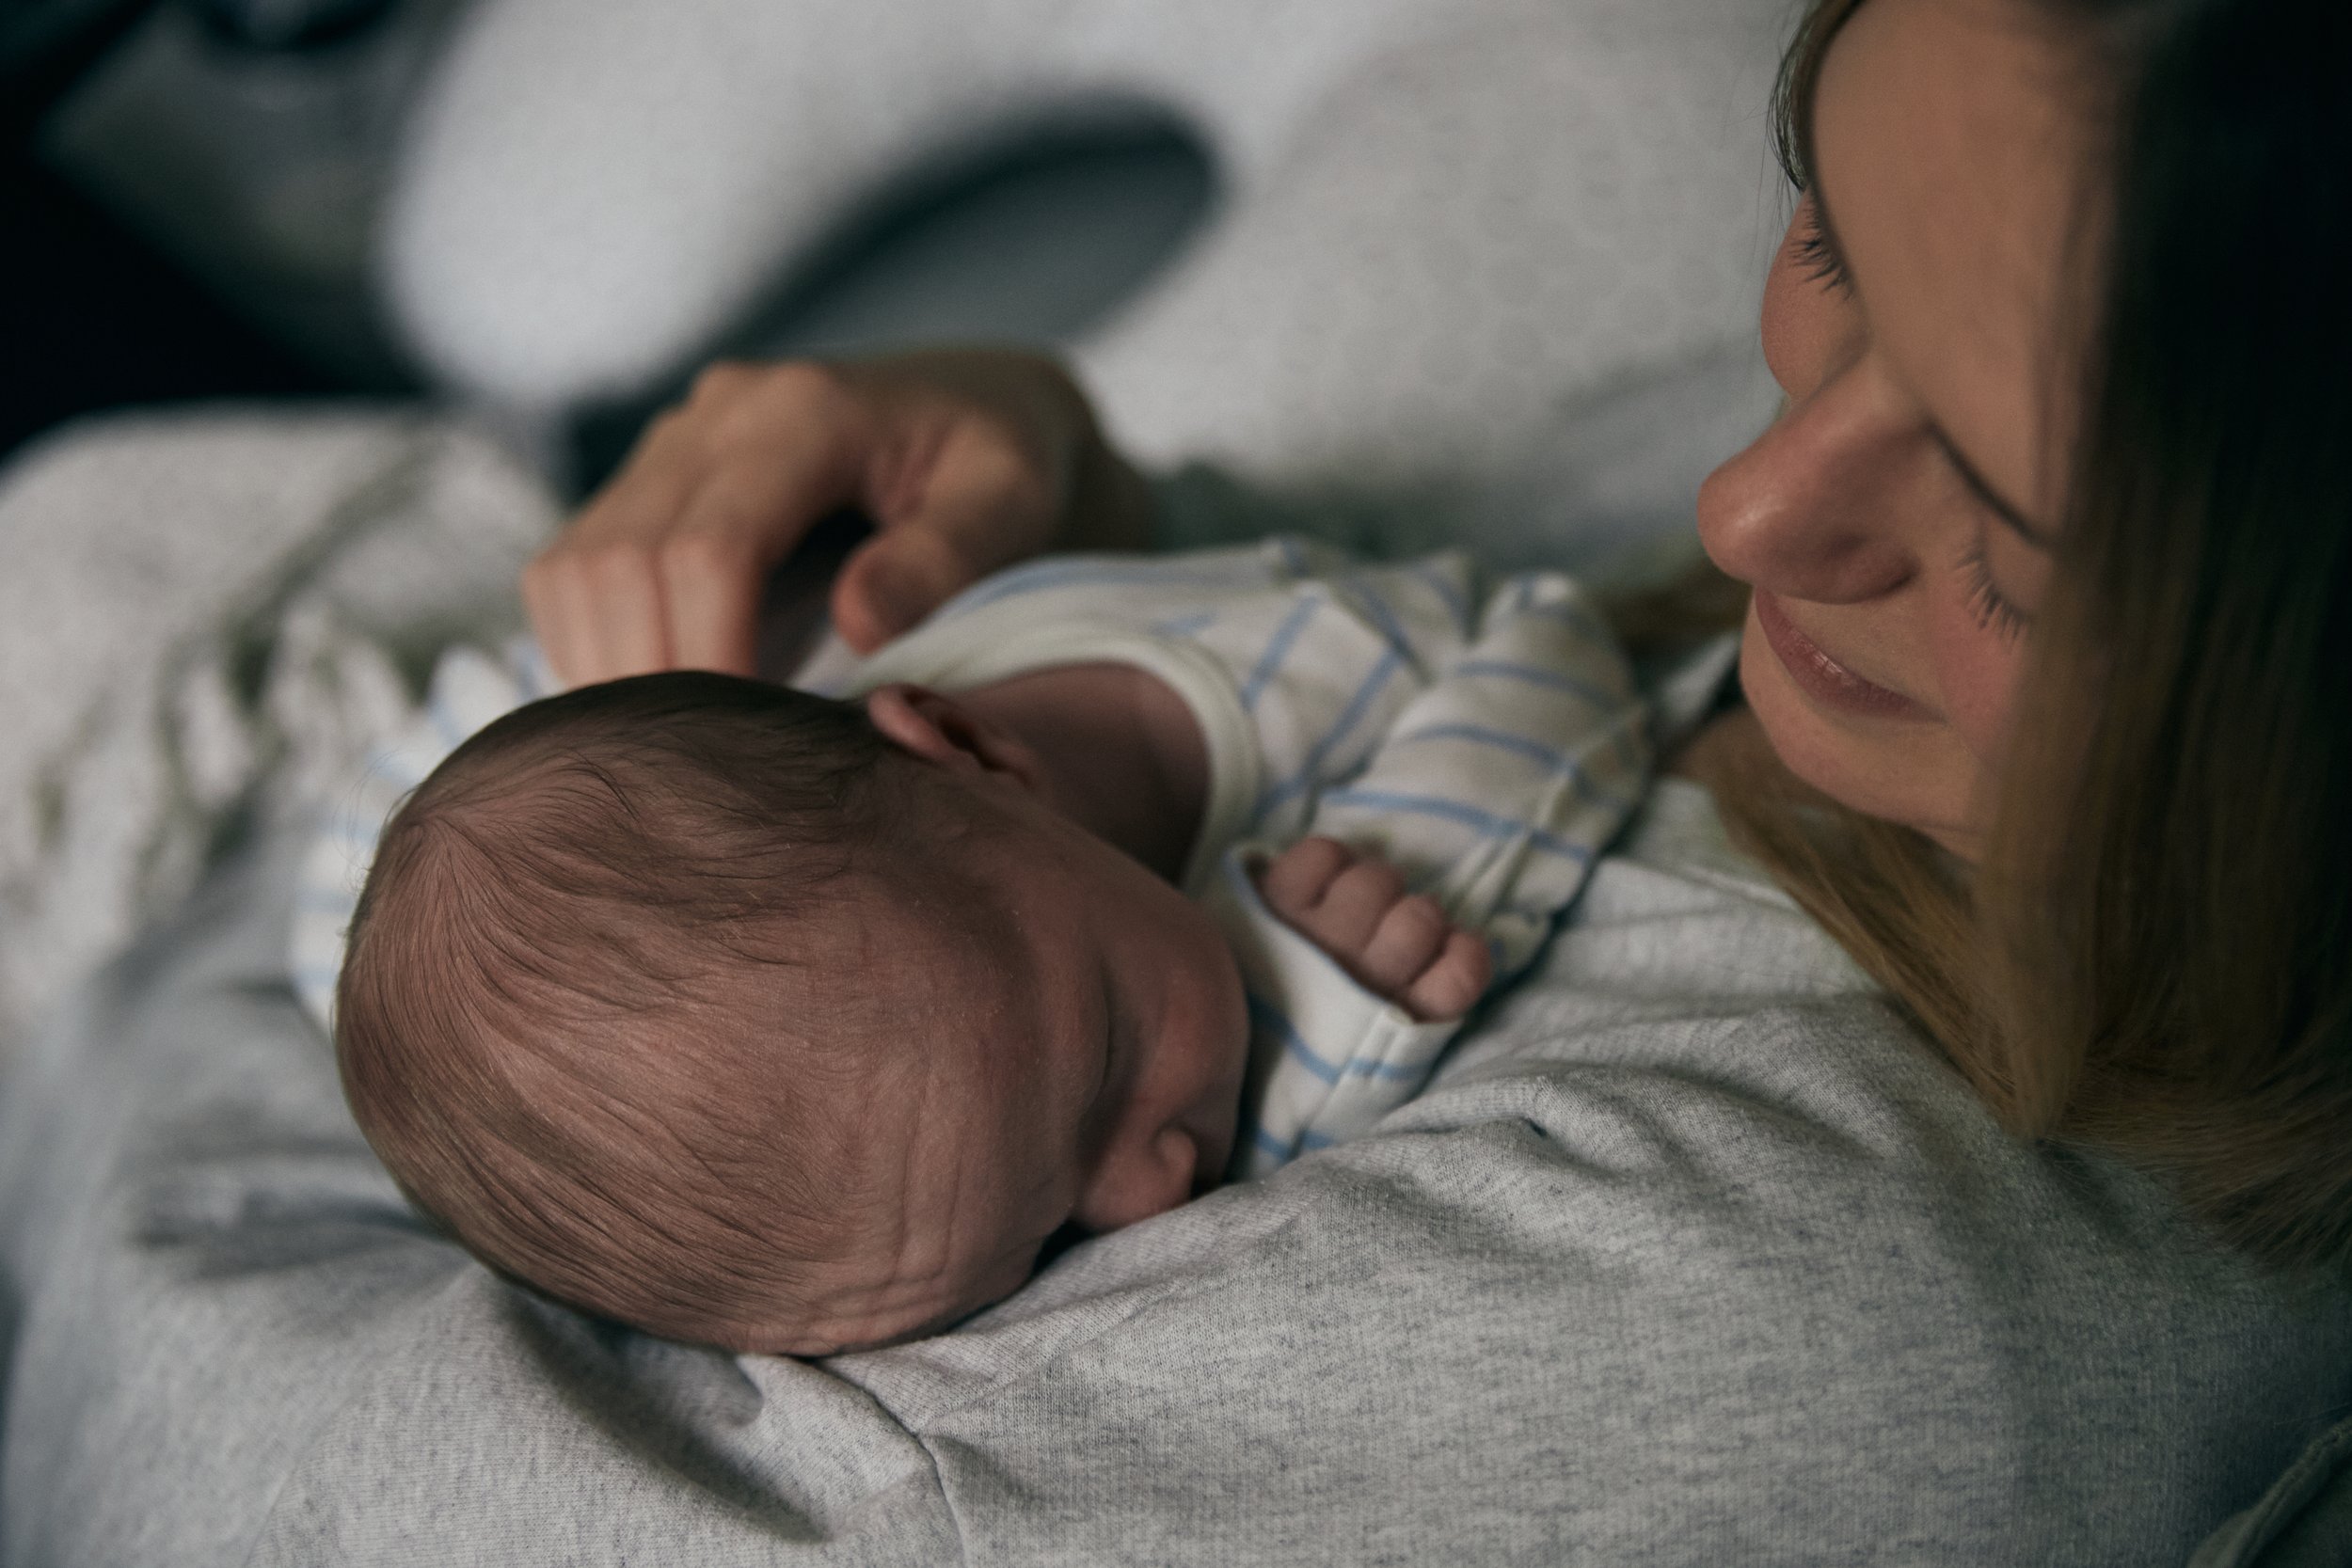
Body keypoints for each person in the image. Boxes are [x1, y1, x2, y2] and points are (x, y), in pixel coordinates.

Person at [451, 0, 2345, 1558]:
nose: (1745, 504)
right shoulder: (1852, 559)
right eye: (1828, 235)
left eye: (2019, 551)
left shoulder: (1789, 1293)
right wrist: (1081, 524)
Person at [320, 536, 1658, 1355]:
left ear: (972, 751)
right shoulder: (977, 1001)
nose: (1156, 1194)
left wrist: (1316, 985)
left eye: (1113, 1048)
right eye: (1039, 1248)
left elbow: (1546, 638)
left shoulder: (1307, 665)